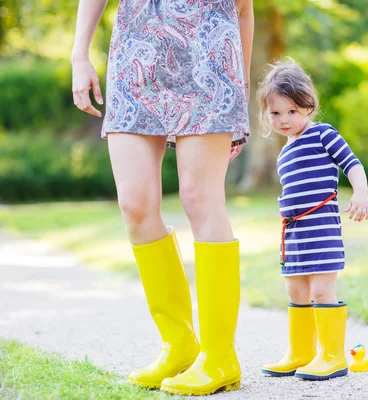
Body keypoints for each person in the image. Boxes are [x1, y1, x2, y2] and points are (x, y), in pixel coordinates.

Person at [71, 0, 253, 396]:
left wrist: (238, 95)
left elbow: (244, 7)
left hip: (209, 53)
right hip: (135, 52)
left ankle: (220, 355)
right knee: (134, 205)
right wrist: (79, 54)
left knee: (200, 199)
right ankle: (179, 342)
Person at [257, 58, 368, 381]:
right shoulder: (284, 153)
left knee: (322, 291)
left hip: (321, 229)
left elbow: (352, 164)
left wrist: (360, 192)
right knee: (295, 292)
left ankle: (332, 356)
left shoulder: (323, 134)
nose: (283, 119)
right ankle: (301, 352)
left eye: (292, 111)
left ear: (308, 106)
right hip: (295, 234)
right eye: (275, 113)